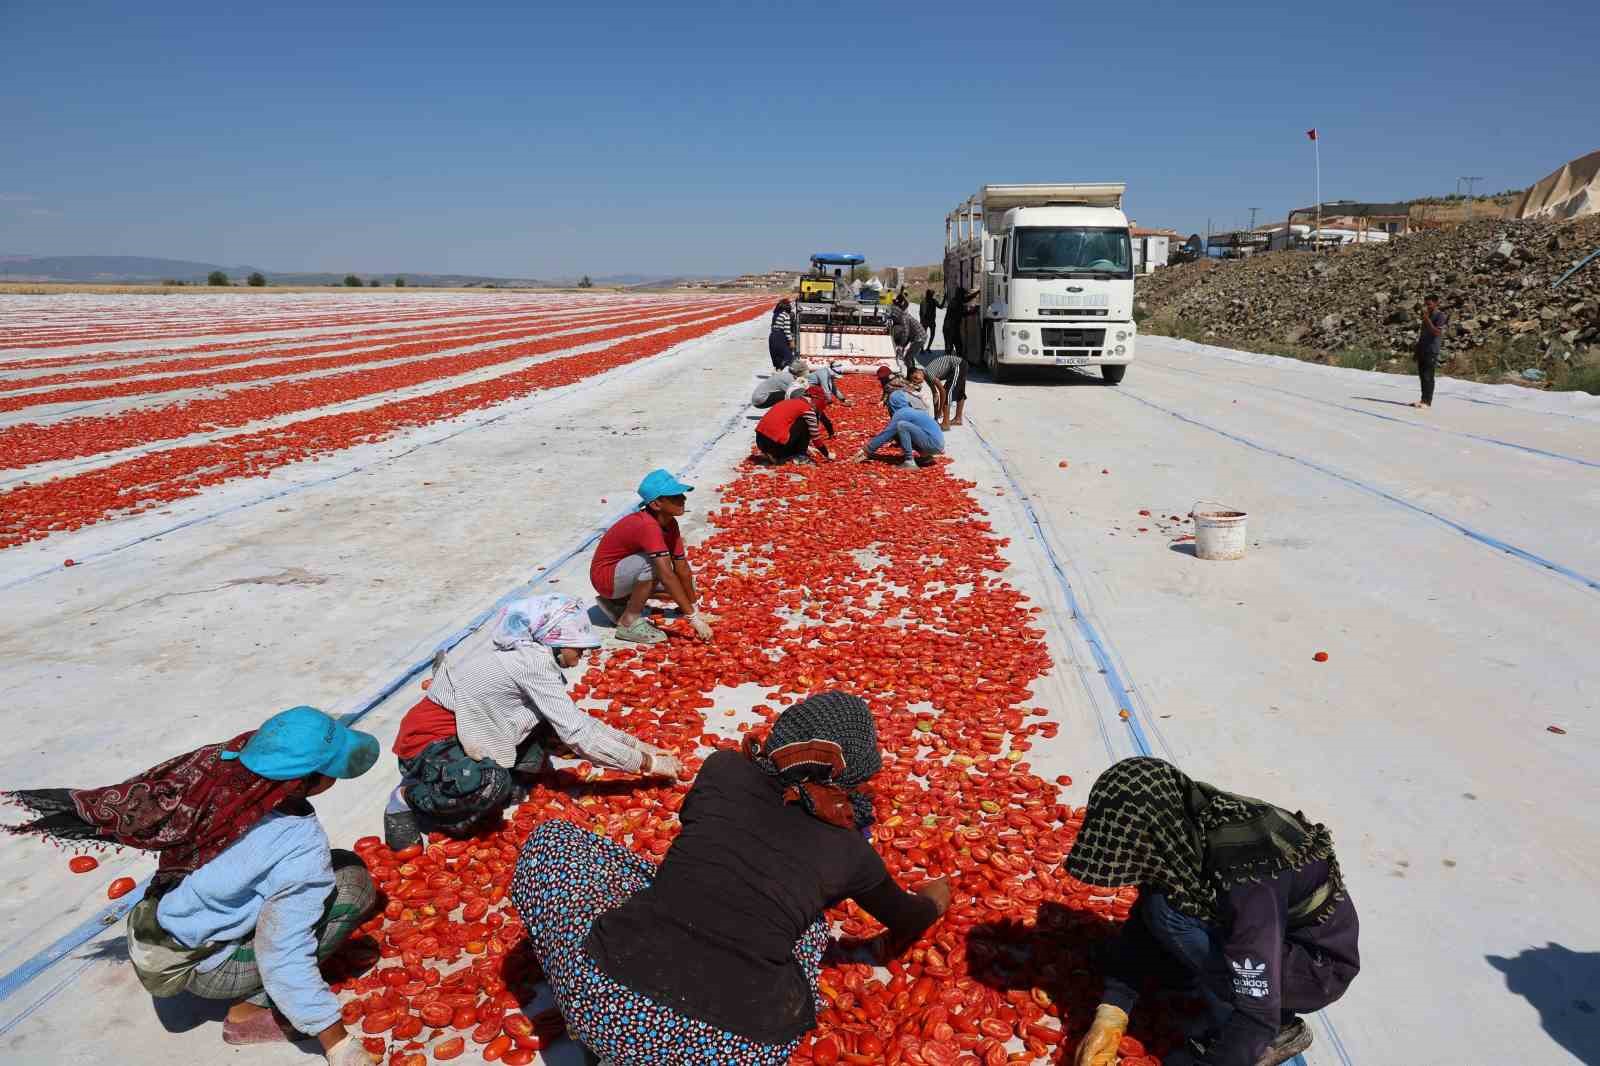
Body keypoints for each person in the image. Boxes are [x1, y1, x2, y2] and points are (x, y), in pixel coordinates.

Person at [510, 691, 951, 1066]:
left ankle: (614, 1043)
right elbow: (908, 920)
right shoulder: (853, 853)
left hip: (604, 1008)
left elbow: (708, 831)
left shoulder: (722, 768)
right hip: (731, 1051)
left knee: (553, 839)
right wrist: (935, 897)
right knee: (807, 922)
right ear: (852, 777)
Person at [3, 707, 385, 1065]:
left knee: (331, 870)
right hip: (198, 965)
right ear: (309, 782)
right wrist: (339, 1044)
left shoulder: (220, 771)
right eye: (333, 768)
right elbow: (283, 957)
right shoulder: (298, 847)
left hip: (158, 924)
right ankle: (247, 1012)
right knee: (352, 886)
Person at [1068, 758, 1360, 1066]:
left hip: (1315, 967)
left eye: (1137, 843)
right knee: (1161, 904)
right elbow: (1144, 919)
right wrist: (1114, 1008)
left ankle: (1279, 1029)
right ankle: (1205, 983)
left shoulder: (1247, 876)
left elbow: (1257, 1012)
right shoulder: (1193, 821)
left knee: (1170, 914)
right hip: (1273, 933)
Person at [384, 594, 684, 849]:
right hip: (428, 740)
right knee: (490, 785)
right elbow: (579, 735)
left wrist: (637, 744)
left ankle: (484, 772)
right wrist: (646, 763)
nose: (581, 656)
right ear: (554, 641)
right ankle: (407, 796)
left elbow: (574, 721)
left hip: (472, 727)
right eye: (577, 648)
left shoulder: (530, 654)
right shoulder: (532, 664)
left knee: (550, 728)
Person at [591, 468, 714, 645]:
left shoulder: (670, 524)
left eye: (681, 495)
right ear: (656, 504)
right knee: (653, 565)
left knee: (683, 585)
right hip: (606, 578)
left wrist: (694, 609)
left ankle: (617, 604)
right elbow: (665, 573)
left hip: (623, 575)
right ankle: (629, 621)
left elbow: (681, 567)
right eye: (675, 497)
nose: (683, 499)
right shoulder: (647, 525)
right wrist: (693, 620)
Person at [859, 390, 944, 467]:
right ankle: (926, 458)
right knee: (897, 431)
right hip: (937, 444)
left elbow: (886, 434)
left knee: (901, 426)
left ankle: (909, 461)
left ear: (893, 404)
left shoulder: (901, 413)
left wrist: (867, 450)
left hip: (932, 444)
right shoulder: (910, 410)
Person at [754, 385, 835, 465]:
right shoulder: (807, 409)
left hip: (760, 441)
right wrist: (827, 454)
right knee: (805, 423)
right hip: (775, 446)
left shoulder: (789, 401)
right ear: (816, 399)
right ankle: (800, 456)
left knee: (794, 422)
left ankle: (770, 452)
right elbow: (815, 437)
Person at [1413, 294, 1446, 409]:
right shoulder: (1427, 316)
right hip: (1423, 348)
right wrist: (1417, 349)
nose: (1427, 306)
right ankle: (1423, 400)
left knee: (1428, 375)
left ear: (1436, 303)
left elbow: (1437, 332)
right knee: (1422, 375)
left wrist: (1427, 319)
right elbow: (1422, 334)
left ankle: (1428, 401)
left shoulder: (1440, 316)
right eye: (1426, 304)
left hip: (1432, 349)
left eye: (1429, 304)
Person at [921, 352, 968, 429]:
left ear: (918, 371)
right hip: (959, 365)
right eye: (914, 381)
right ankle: (958, 419)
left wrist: (940, 410)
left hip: (958, 365)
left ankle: (946, 423)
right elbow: (935, 394)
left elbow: (942, 392)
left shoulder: (928, 373)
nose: (917, 381)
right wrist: (936, 417)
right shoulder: (926, 377)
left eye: (915, 377)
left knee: (947, 392)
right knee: (960, 391)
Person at [889, 305, 927, 377]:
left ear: (895, 315)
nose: (894, 320)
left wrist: (900, 346)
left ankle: (912, 375)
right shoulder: (903, 316)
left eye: (893, 318)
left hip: (919, 338)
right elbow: (908, 334)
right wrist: (902, 346)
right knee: (910, 356)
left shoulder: (904, 318)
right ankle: (911, 373)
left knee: (908, 357)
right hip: (918, 337)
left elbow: (906, 333)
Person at [768, 299, 797, 371]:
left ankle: (778, 370)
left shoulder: (776, 314)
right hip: (780, 336)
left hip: (772, 336)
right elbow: (787, 330)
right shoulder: (785, 315)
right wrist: (791, 341)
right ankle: (780, 370)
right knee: (789, 357)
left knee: (777, 357)